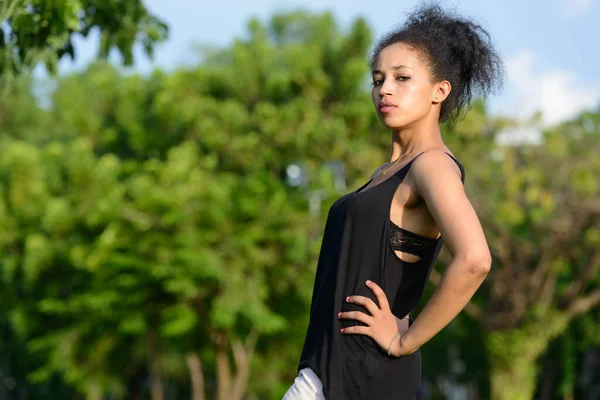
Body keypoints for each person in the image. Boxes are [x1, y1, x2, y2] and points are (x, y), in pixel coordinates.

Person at [283, 3, 504, 400]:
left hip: (364, 374)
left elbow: (475, 260)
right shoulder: (384, 174)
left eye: (402, 78)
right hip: (328, 370)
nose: (384, 89)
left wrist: (405, 341)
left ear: (440, 91)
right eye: (378, 78)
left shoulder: (432, 165)